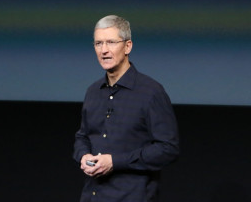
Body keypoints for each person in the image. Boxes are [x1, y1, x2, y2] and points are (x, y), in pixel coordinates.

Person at [73, 15, 179, 201]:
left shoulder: (151, 92)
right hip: (93, 196)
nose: (104, 50)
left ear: (128, 46)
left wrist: (115, 162)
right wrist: (83, 156)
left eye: (111, 42)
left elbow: (168, 148)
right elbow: (82, 136)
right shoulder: (93, 91)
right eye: (98, 43)